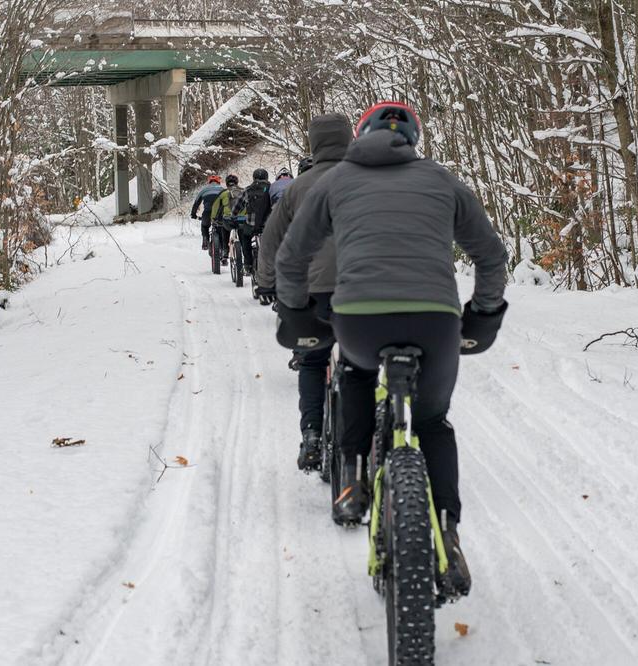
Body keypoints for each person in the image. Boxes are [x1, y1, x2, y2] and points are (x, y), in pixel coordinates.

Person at [273, 102, 508, 596]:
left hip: (359, 320)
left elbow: (291, 255)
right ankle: (447, 532)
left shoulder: (336, 181)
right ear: (413, 139)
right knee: (431, 422)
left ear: (360, 136)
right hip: (435, 321)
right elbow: (490, 255)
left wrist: (296, 311)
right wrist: (483, 313)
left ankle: (351, 477)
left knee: (356, 374)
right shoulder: (442, 180)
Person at [254, 114, 353, 471]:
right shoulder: (370, 179)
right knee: (361, 364)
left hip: (312, 292)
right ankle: (362, 442)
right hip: (362, 290)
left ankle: (312, 434)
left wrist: (266, 282)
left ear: (314, 144)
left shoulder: (297, 188)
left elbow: (270, 242)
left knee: (312, 361)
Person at [210, 174, 242, 266]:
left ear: (227, 183)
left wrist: (213, 219)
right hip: (242, 219)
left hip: (228, 219)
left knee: (224, 229)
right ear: (237, 182)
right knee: (243, 233)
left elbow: (215, 208)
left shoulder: (223, 193)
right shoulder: (243, 191)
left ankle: (225, 252)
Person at [191, 175, 224, 250]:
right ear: (218, 182)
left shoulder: (204, 190)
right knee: (221, 228)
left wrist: (193, 214)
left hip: (207, 212)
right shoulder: (222, 190)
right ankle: (223, 247)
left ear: (209, 182)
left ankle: (205, 240)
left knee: (205, 226)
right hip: (219, 213)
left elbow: (196, 203)